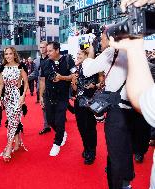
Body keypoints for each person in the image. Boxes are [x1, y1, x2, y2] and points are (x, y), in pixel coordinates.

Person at [82, 27, 150, 189]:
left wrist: (90, 53)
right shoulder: (135, 53)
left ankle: (120, 184)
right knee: (126, 150)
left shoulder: (111, 52)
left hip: (118, 112)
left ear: (111, 38)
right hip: (137, 110)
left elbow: (87, 70)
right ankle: (126, 182)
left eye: (102, 38)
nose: (101, 41)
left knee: (116, 152)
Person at [39, 41, 75, 157]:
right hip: (49, 95)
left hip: (62, 96)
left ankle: (57, 143)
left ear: (57, 50)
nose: (47, 52)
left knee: (60, 120)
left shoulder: (68, 61)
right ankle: (62, 133)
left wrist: (62, 78)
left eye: (50, 51)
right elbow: (43, 81)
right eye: (47, 50)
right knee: (50, 120)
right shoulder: (45, 64)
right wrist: (40, 96)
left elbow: (74, 76)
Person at [0, 47, 28, 162]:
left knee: (12, 123)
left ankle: (9, 147)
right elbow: (0, 84)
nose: (8, 56)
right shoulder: (3, 68)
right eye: (6, 54)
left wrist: (23, 95)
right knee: (12, 121)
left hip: (17, 98)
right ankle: (18, 142)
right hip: (7, 98)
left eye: (10, 54)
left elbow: (26, 83)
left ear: (14, 55)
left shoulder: (20, 67)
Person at [71, 49, 98, 165]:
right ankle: (86, 147)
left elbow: (98, 84)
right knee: (81, 127)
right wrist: (73, 81)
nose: (78, 56)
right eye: (77, 54)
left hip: (89, 102)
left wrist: (94, 85)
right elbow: (75, 89)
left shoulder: (92, 68)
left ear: (87, 56)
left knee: (90, 128)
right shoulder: (77, 69)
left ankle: (91, 152)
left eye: (80, 54)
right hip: (78, 102)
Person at [34, 41, 51, 135]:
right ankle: (46, 126)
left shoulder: (52, 59)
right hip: (42, 87)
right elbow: (36, 74)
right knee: (44, 107)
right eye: (40, 47)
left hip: (53, 87)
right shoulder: (37, 61)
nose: (42, 49)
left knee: (54, 107)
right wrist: (24, 79)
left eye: (44, 47)